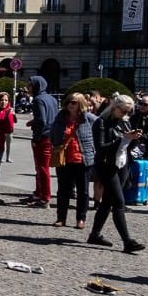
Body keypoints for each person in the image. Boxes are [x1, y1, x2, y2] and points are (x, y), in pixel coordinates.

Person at [86, 94, 146, 254]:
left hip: (122, 163)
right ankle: (127, 241)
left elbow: (127, 144)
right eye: (124, 110)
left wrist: (134, 138)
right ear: (115, 107)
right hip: (106, 165)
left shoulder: (124, 121)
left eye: (129, 111)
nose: (126, 114)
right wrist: (122, 139)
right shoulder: (101, 122)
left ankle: (94, 234)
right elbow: (101, 147)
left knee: (107, 202)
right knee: (119, 203)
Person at [49, 93, 95, 229]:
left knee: (83, 191)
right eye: (68, 102)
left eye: (74, 102)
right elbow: (53, 135)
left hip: (83, 159)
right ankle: (61, 218)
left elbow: (99, 134)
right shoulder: (60, 118)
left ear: (80, 104)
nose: (70, 105)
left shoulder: (89, 119)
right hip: (65, 159)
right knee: (63, 190)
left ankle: (81, 218)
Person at [26, 75, 57, 207]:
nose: (28, 87)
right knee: (41, 167)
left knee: (42, 168)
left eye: (30, 85)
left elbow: (42, 120)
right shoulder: (52, 99)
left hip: (43, 138)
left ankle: (44, 198)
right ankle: (39, 193)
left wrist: (36, 137)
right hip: (52, 136)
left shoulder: (38, 100)